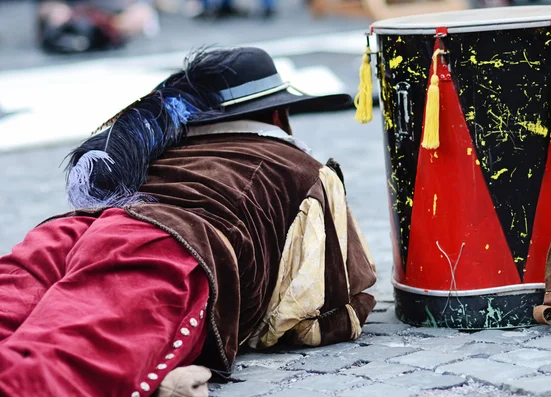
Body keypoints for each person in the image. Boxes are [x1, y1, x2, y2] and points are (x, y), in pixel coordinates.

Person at [0, 47, 376, 396]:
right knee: (53, 372)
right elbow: (323, 300)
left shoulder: (162, 149)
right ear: (278, 115)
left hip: (68, 230)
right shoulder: (303, 168)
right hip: (161, 246)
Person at [37, 0, 159, 53]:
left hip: (123, 39)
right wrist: (53, 11)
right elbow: (47, 9)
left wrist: (143, 9)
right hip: (74, 28)